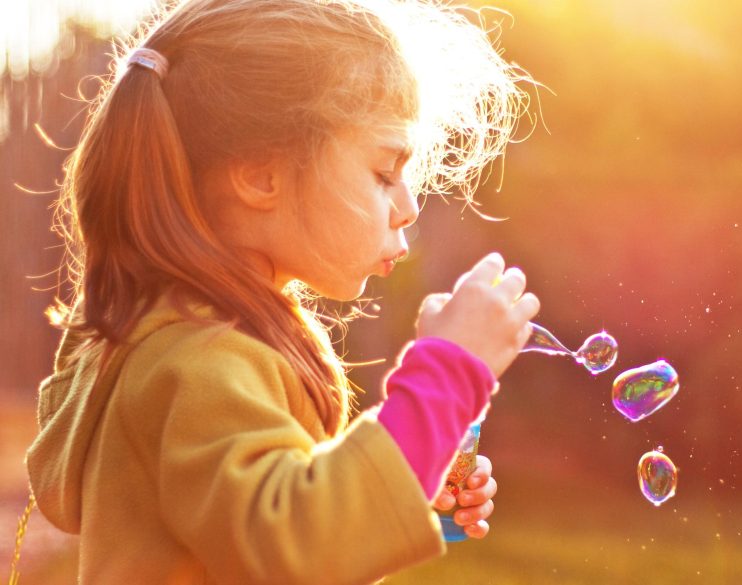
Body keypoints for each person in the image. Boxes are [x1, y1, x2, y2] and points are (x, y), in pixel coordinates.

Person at [23, 0, 539, 583]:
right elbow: (299, 547)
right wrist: (450, 371)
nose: (408, 206)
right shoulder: (198, 363)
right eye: (384, 173)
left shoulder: (200, 344)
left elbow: (288, 523)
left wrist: (416, 470)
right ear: (261, 175)